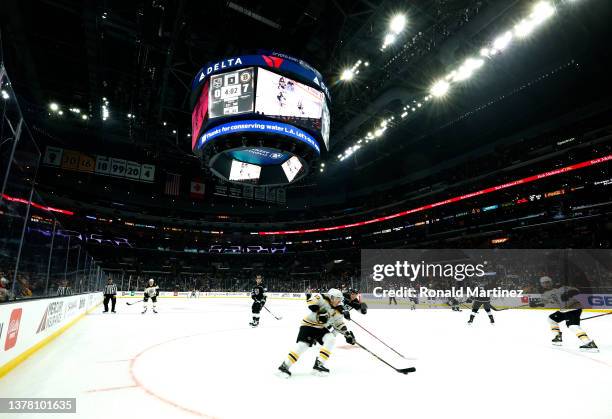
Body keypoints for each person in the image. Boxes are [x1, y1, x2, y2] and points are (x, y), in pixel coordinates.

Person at [277, 288, 355, 378]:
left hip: (321, 328)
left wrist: (347, 335)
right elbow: (311, 302)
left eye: (340, 299)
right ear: (332, 297)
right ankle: (285, 365)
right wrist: (317, 310)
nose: (340, 301)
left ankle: (319, 364)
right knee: (303, 345)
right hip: (308, 325)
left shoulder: (339, 310)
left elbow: (339, 324)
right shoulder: (322, 298)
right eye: (338, 298)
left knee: (331, 338)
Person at [540, 276, 598, 351]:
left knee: (573, 326)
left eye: (547, 282)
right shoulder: (545, 294)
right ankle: (558, 337)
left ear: (551, 282)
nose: (546, 284)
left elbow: (576, 290)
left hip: (573, 308)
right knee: (551, 319)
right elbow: (549, 303)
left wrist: (569, 293)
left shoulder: (561, 287)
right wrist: (539, 303)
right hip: (564, 310)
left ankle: (588, 342)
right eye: (543, 283)